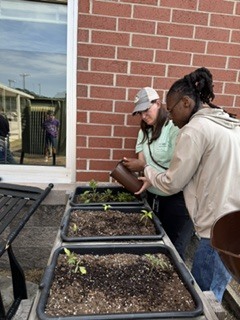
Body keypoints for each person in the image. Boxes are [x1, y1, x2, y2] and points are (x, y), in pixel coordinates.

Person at [135, 67, 239, 302]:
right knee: (217, 291)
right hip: (235, 224)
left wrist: (149, 172)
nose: (170, 117)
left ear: (185, 102)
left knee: (203, 297)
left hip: (216, 229)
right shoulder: (231, 124)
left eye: (171, 110)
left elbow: (172, 183)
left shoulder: (194, 130)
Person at [122, 87, 193, 260]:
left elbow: (182, 167)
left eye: (146, 110)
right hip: (154, 198)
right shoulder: (144, 132)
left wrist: (147, 169)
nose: (143, 116)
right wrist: (133, 166)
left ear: (158, 104)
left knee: (174, 250)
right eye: (140, 113)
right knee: (157, 244)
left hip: (177, 199)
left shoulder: (174, 129)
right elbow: (143, 163)